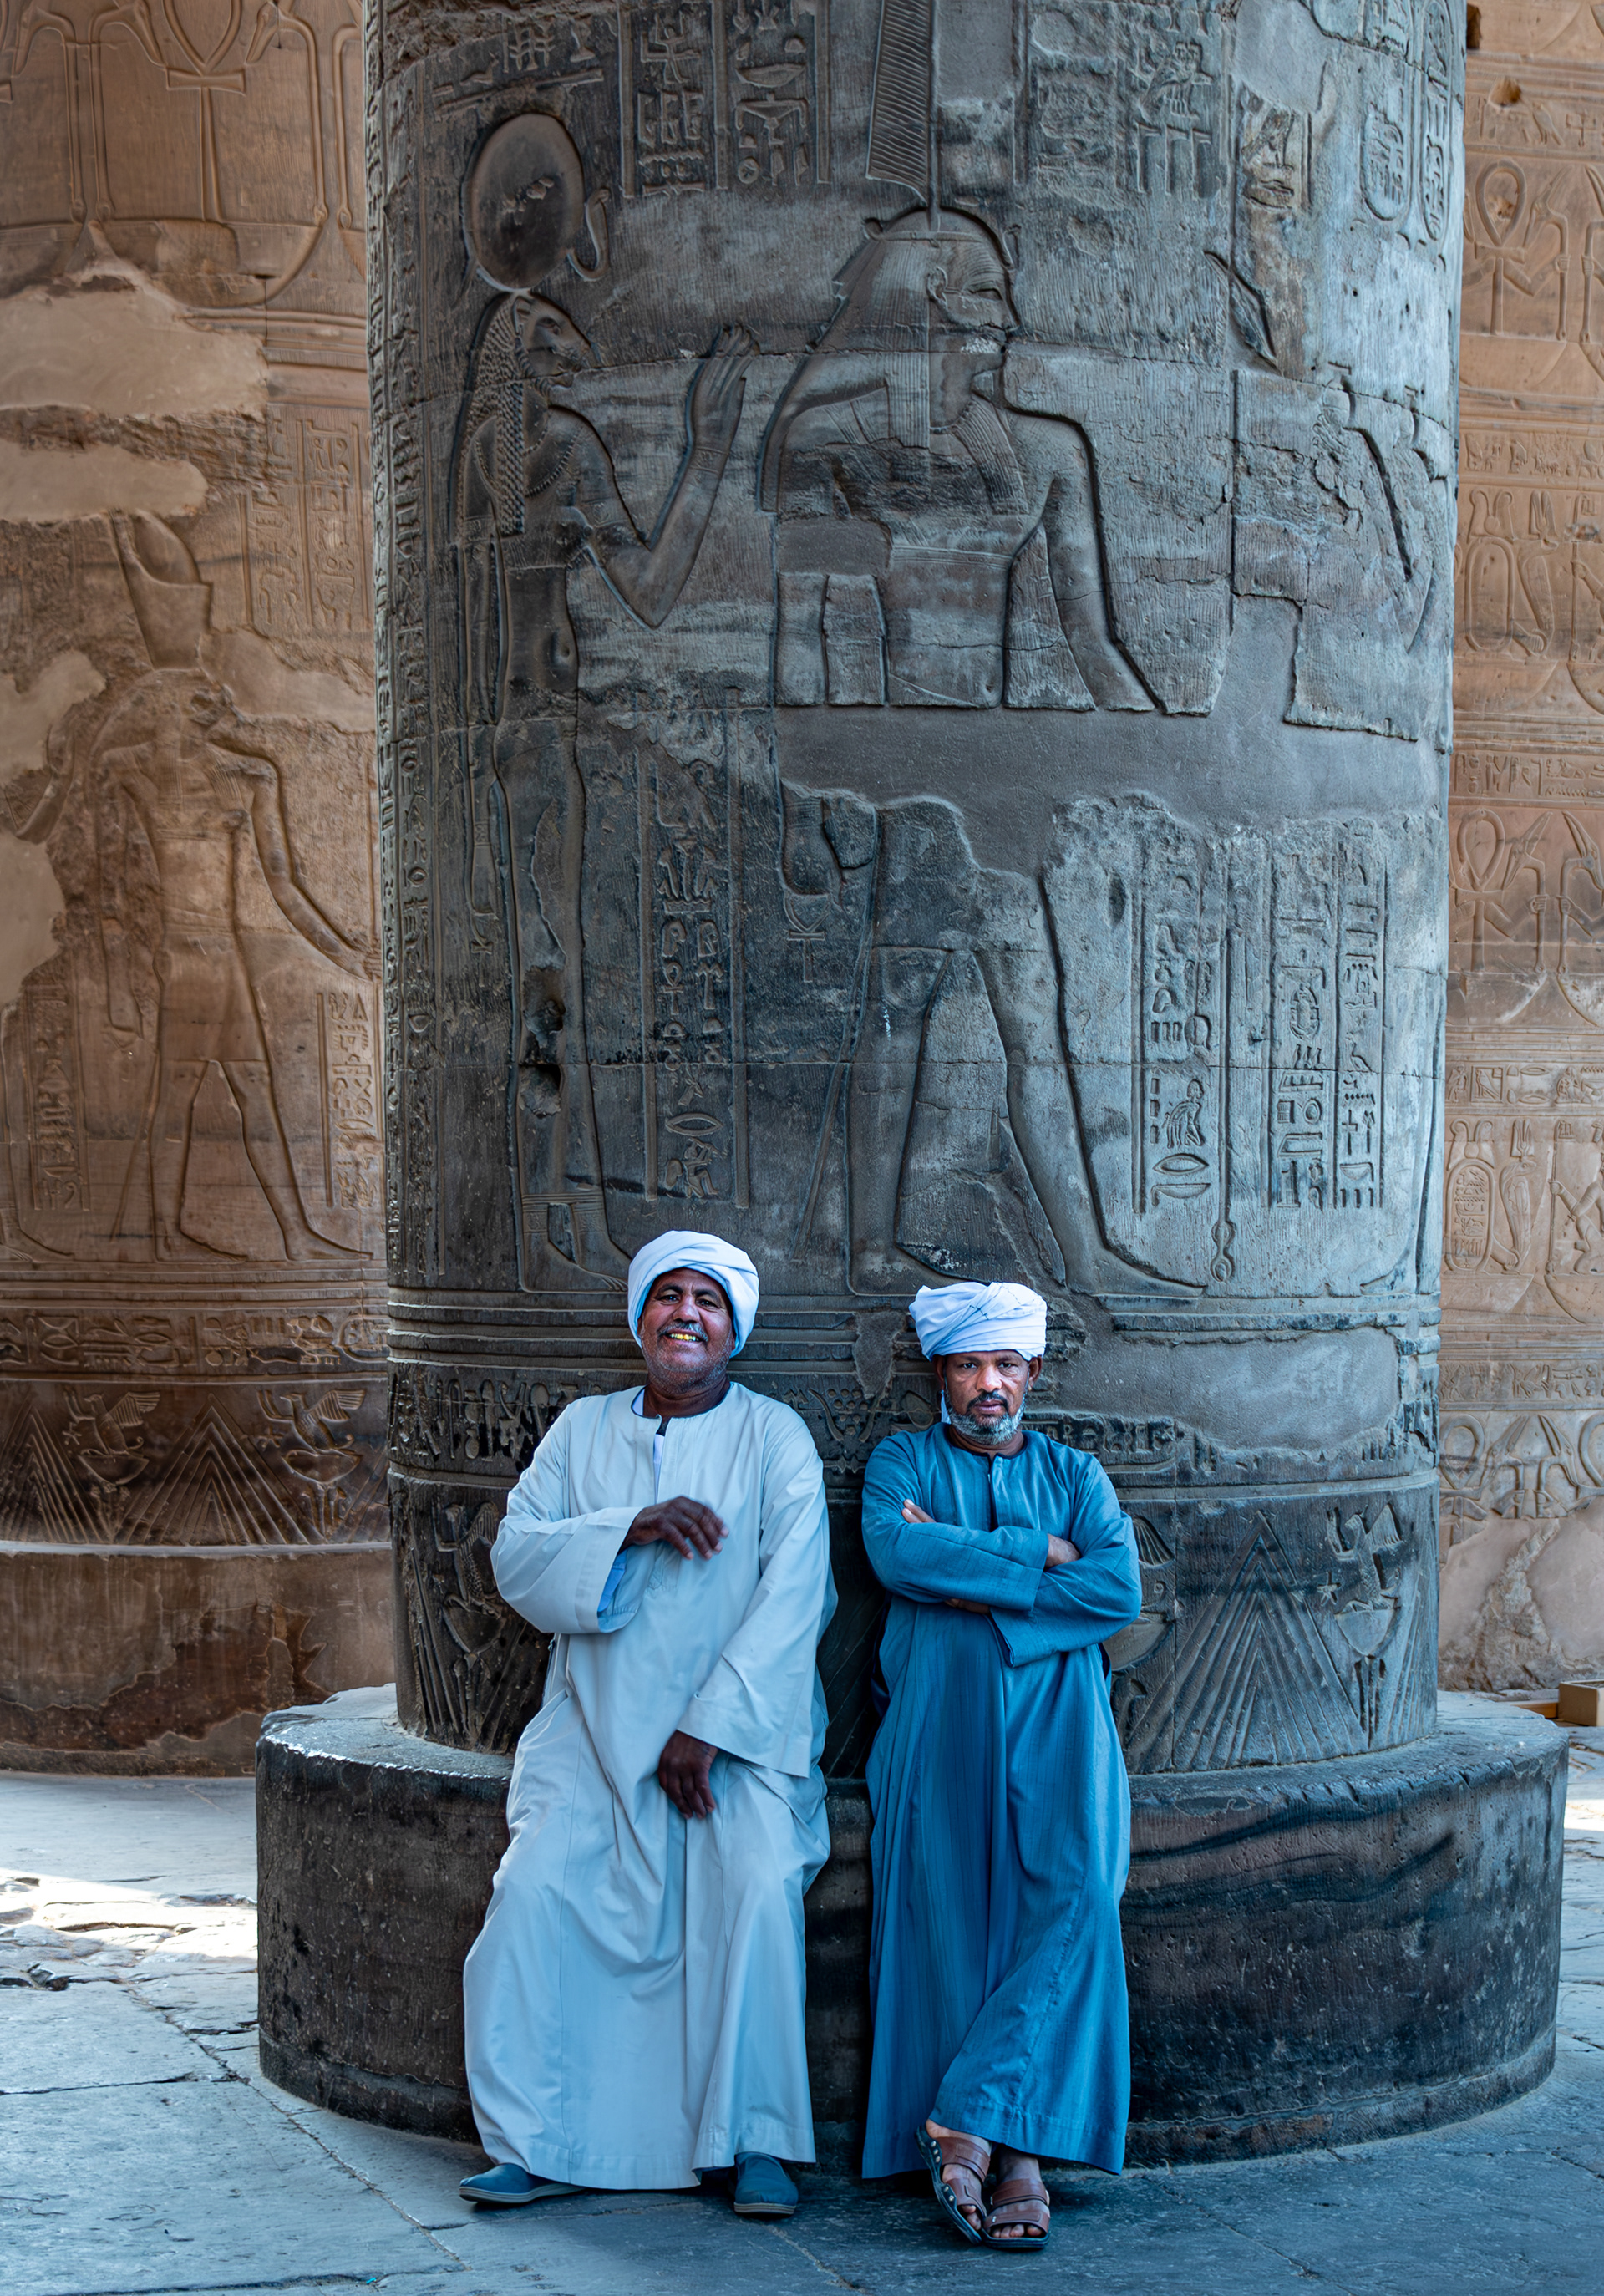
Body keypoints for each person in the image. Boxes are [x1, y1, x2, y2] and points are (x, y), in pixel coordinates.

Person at [459, 1230, 835, 2217]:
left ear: (733, 1330)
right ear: (640, 1320)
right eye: (667, 1296)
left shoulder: (773, 1437)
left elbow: (797, 1599)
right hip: (593, 1734)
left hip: (736, 1748)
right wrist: (628, 1525)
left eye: (707, 1301)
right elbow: (517, 1557)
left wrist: (707, 1729)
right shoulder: (582, 1433)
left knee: (755, 1887)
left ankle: (755, 2141)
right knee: (535, 1893)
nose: (685, 1315)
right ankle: (533, 2138)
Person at [860, 1279, 1141, 2248]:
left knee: (1080, 1900)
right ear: (942, 1372)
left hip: (1064, 1720)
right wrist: (1036, 1558)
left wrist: (972, 1568)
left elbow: (1115, 1589)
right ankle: (1012, 2154)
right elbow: (898, 1558)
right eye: (971, 1365)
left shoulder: (1077, 1471)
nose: (990, 1383)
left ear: (1030, 1373)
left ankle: (965, 2117)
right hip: (940, 1719)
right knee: (955, 1924)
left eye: (1006, 1365)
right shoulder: (901, 1458)